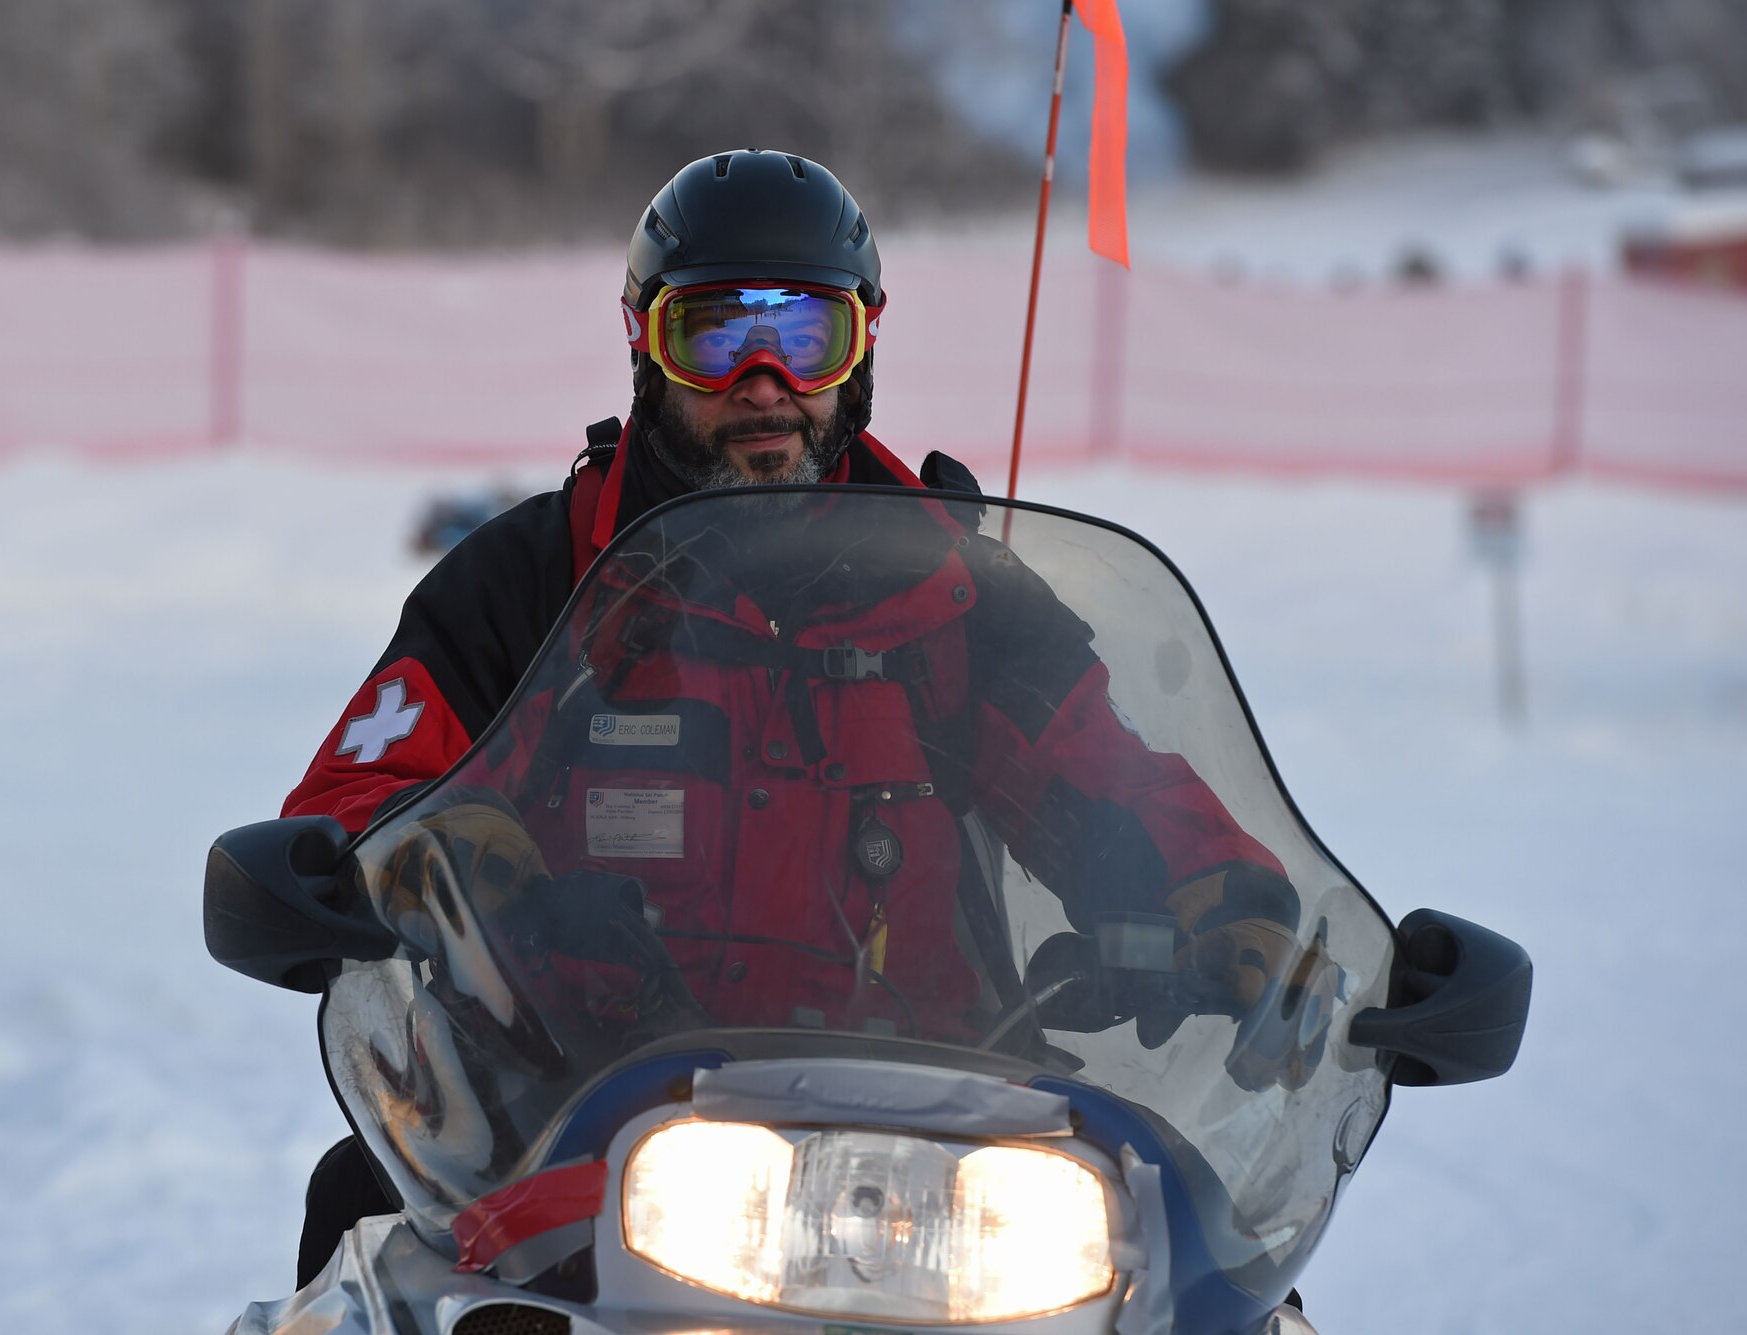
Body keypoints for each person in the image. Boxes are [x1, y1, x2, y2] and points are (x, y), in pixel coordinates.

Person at [279, 149, 1316, 1288]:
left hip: (953, 1155)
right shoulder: (534, 581)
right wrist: (448, 868)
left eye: (805, 338)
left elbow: (1105, 778)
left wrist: (1229, 906)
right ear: (645, 345)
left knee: (1211, 1277)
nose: (763, 381)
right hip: (581, 1136)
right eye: (715, 336)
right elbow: (360, 800)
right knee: (368, 1238)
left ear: (860, 347)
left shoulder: (956, 594)